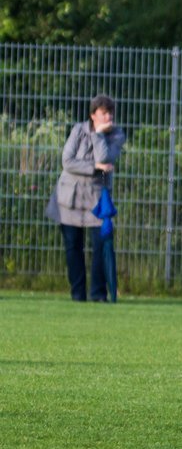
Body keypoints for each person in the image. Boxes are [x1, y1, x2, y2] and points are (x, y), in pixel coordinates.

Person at [44, 94, 127, 302]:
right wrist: (94, 169)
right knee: (73, 247)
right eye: (103, 113)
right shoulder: (78, 130)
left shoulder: (117, 135)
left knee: (100, 245)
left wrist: (99, 135)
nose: (108, 117)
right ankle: (77, 295)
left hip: (97, 200)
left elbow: (106, 159)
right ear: (93, 115)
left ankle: (98, 294)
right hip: (69, 198)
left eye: (110, 113)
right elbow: (67, 162)